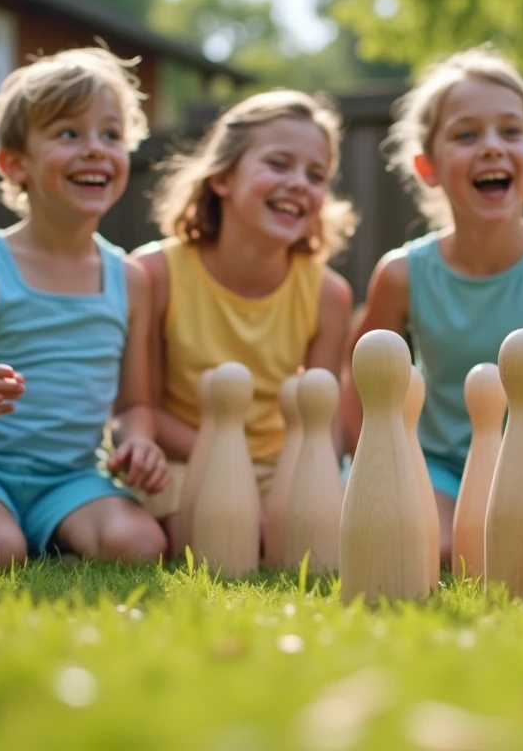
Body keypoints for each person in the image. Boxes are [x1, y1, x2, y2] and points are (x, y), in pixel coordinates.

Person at [342, 45, 523, 567]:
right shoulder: (402, 274)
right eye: (466, 135)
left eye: (510, 131)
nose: (492, 147)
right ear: (428, 167)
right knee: (446, 547)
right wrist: (382, 477)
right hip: (441, 466)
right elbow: (359, 388)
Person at [0, 46, 170, 569]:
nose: (95, 149)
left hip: (70, 480)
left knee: (141, 546)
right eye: (69, 134)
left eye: (110, 135)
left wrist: (139, 443)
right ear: (13, 163)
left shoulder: (130, 279)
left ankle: (36, 541)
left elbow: (136, 404)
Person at [131, 89, 357, 558]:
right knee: (208, 538)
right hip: (185, 459)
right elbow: (142, 409)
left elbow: (324, 419)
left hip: (283, 466)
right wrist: (229, 470)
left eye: (316, 175)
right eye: (278, 164)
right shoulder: (154, 276)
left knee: (320, 546)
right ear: (222, 178)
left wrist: (314, 482)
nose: (299, 183)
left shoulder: (328, 296)